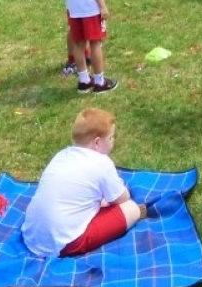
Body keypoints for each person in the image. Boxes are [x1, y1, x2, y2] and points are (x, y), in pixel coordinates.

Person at [21, 107, 148, 258]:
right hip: (64, 244)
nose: (113, 141)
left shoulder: (61, 155)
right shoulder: (101, 163)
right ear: (97, 142)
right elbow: (122, 198)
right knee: (132, 208)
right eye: (111, 138)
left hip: (32, 236)